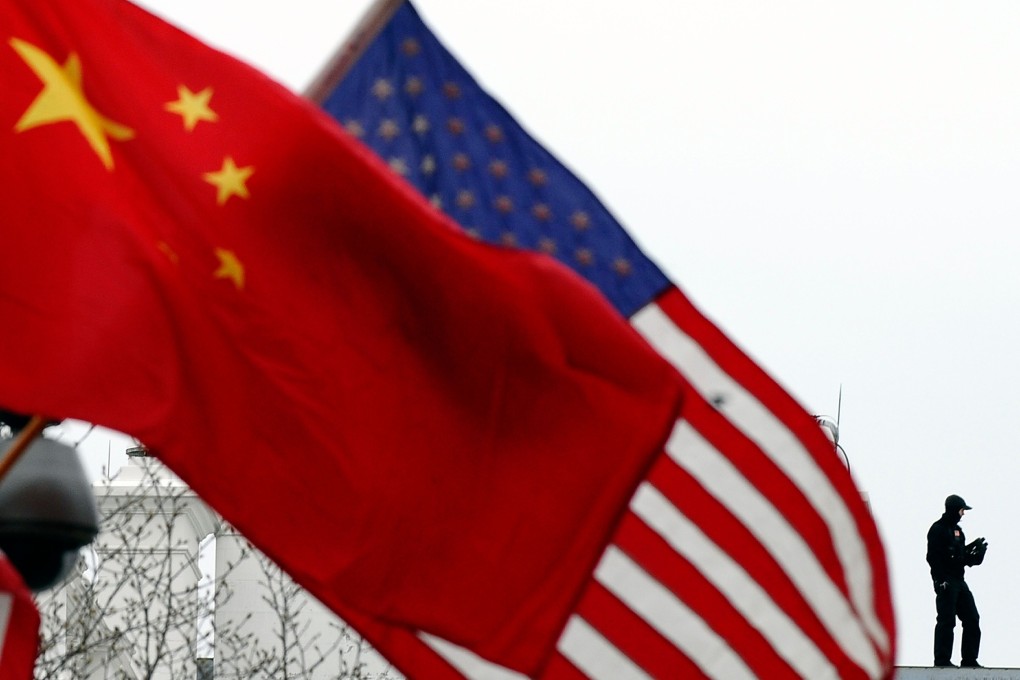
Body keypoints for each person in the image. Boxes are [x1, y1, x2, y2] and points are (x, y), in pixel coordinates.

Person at [926, 494, 988, 668]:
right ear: (954, 510)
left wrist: (976, 556)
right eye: (962, 510)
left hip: (959, 581)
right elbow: (933, 557)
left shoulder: (959, 532)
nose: (963, 514)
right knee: (947, 620)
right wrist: (939, 580)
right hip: (946, 581)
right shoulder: (937, 529)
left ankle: (969, 660)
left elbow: (961, 558)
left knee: (972, 618)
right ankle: (942, 661)